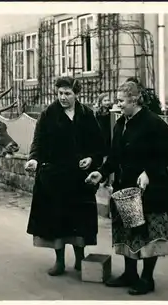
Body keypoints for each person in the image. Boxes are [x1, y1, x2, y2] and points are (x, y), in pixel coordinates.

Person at [85, 80, 168, 295]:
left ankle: (147, 278)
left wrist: (149, 172)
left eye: (121, 101)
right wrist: (102, 172)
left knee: (147, 234)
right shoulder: (121, 124)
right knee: (128, 231)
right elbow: (115, 156)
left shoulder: (154, 123)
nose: (118, 105)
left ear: (134, 100)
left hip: (151, 191)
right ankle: (130, 273)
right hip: (126, 189)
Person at [24, 76, 106, 276]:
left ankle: (80, 259)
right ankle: (59, 261)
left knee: (80, 220)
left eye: (67, 93)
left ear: (76, 94)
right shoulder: (48, 115)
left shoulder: (87, 114)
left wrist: (91, 159)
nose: (63, 97)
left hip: (80, 179)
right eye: (60, 93)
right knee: (56, 220)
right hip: (54, 177)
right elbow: (38, 143)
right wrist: (34, 159)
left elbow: (99, 145)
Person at [93, 93, 113, 188]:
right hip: (101, 138)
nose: (107, 102)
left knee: (108, 158)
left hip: (109, 137)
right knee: (102, 158)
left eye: (108, 100)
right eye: (105, 100)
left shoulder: (111, 112)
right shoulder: (98, 113)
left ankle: (107, 180)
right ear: (100, 102)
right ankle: (102, 177)